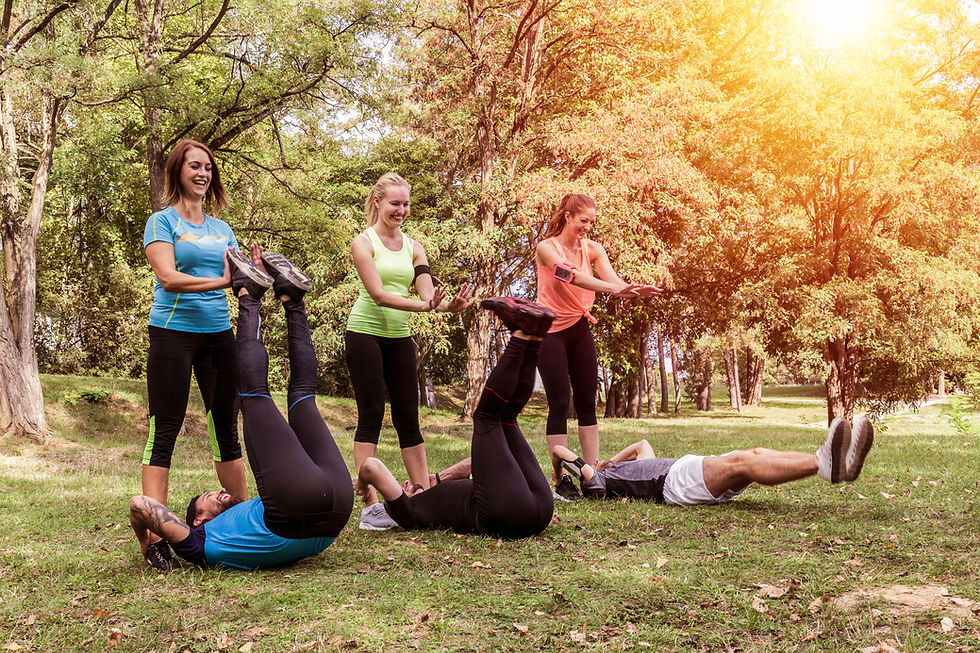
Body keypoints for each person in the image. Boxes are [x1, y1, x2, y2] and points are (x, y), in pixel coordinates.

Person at [130, 250, 354, 570]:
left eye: (211, 492)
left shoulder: (226, 525)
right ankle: (248, 294)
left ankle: (292, 299)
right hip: (301, 508)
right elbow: (140, 505)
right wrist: (148, 541)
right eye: (207, 497)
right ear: (198, 520)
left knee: (303, 395)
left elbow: (140, 504)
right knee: (253, 393)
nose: (220, 490)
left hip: (332, 516)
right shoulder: (198, 543)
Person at [354, 297, 555, 539]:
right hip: (504, 513)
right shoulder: (409, 513)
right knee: (486, 417)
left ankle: (534, 335)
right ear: (393, 505)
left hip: (535, 508)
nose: (405, 484)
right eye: (401, 489)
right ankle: (520, 335)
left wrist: (439, 478)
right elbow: (371, 466)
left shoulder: (433, 498)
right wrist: (364, 485)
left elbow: (479, 462)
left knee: (507, 417)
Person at [140, 139, 248, 569]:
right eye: (194, 166)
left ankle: (244, 519)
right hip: (173, 333)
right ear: (178, 171)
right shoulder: (161, 222)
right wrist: (224, 280)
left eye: (208, 167)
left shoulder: (223, 229)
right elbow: (168, 278)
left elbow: (240, 280)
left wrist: (258, 276)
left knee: (226, 429)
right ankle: (155, 539)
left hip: (218, 335)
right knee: (164, 430)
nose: (203, 173)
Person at [346, 172, 473, 529]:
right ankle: (370, 507)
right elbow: (379, 295)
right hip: (364, 334)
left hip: (399, 337)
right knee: (371, 415)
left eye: (405, 204)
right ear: (377, 202)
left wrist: (448, 306)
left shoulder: (414, 246)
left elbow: (428, 294)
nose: (401, 210)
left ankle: (424, 496)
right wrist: (424, 307)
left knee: (408, 417)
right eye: (394, 203)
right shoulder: (363, 243)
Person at [535, 193, 661, 501]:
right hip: (549, 332)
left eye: (592, 222)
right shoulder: (546, 248)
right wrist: (616, 290)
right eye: (583, 220)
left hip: (579, 329)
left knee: (587, 401)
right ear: (567, 216)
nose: (588, 227)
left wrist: (630, 290)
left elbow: (613, 281)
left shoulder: (593, 249)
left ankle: (594, 474)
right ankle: (562, 479)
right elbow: (571, 277)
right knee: (559, 403)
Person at [550, 416, 875, 505]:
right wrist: (558, 475)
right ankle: (824, 464)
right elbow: (561, 452)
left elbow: (642, 445)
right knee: (745, 463)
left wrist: (610, 459)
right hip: (674, 483)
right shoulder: (599, 483)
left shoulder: (616, 470)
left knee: (756, 454)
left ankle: (834, 462)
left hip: (682, 470)